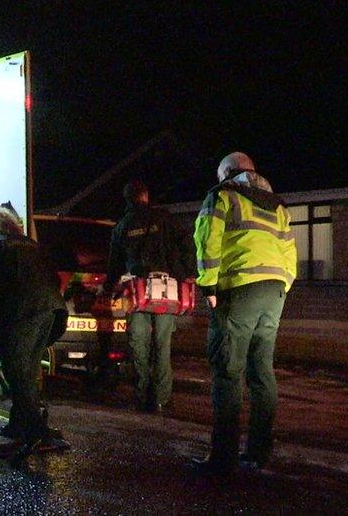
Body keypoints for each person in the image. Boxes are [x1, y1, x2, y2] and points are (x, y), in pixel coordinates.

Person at [191, 152, 297, 476]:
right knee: (262, 372)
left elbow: (207, 242)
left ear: (227, 173)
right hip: (274, 291)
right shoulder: (277, 205)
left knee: (228, 372)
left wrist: (208, 288)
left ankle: (223, 457)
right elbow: (290, 251)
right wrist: (282, 286)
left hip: (238, 289)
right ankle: (258, 452)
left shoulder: (222, 195)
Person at [0, 207, 68, 462]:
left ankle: (34, 431)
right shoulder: (30, 244)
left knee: (17, 372)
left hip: (22, 314)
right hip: (51, 311)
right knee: (28, 370)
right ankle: (19, 424)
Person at [104, 180, 190, 413]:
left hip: (137, 292)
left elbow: (114, 264)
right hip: (167, 289)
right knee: (163, 345)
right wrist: (187, 274)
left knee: (139, 344)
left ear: (127, 200)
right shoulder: (165, 219)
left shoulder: (122, 226)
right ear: (146, 196)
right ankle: (162, 397)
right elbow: (186, 243)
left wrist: (108, 287)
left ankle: (142, 396)